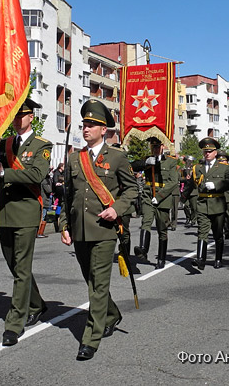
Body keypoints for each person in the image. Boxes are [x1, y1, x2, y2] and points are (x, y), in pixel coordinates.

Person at [60, 99, 138, 361]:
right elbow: (68, 196)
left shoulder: (116, 157)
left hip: (104, 230)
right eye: (84, 124)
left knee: (97, 285)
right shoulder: (75, 158)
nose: (86, 128)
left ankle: (90, 338)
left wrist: (117, 208)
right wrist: (64, 225)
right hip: (80, 230)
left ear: (104, 129)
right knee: (92, 281)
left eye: (92, 125)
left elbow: (131, 190)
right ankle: (112, 314)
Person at [0, 98, 52, 346]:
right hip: (5, 212)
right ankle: (36, 303)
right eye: (14, 116)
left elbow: (37, 174)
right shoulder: (3, 144)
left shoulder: (41, 145)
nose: (17, 120)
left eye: (21, 116)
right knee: (14, 264)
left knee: (21, 268)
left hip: (25, 211)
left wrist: (4, 172)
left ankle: (15, 322)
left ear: (31, 117)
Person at [131, 137, 178, 268]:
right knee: (146, 221)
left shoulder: (171, 162)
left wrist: (160, 196)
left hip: (162, 197)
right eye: (153, 147)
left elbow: (173, 182)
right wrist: (146, 162)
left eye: (157, 147)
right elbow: (132, 166)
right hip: (147, 194)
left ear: (162, 146)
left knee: (162, 229)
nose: (155, 149)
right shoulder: (148, 159)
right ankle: (142, 249)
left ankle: (161, 258)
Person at [191, 138, 229, 269]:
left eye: (210, 151)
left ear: (215, 152)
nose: (207, 154)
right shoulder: (197, 168)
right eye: (205, 151)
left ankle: (218, 258)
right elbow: (191, 184)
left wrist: (217, 185)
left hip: (217, 203)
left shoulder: (224, 168)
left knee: (217, 234)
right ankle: (200, 259)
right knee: (202, 232)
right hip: (203, 203)